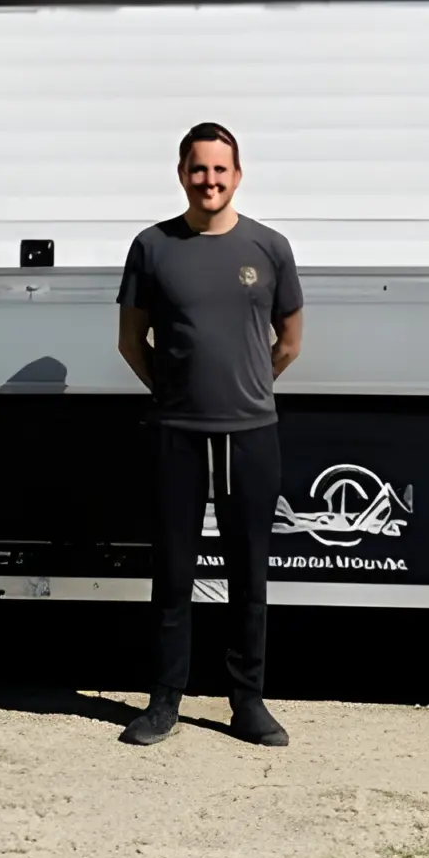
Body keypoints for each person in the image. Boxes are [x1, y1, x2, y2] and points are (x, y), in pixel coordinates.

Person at [114, 120, 303, 747]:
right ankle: (163, 702)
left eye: (220, 170)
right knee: (172, 574)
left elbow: (291, 342)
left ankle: (246, 703)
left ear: (238, 175)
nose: (209, 181)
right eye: (199, 169)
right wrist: (173, 392)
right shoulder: (152, 247)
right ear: (181, 175)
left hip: (251, 434)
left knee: (249, 576)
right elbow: (129, 340)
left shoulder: (269, 249)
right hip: (175, 435)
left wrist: (248, 388)